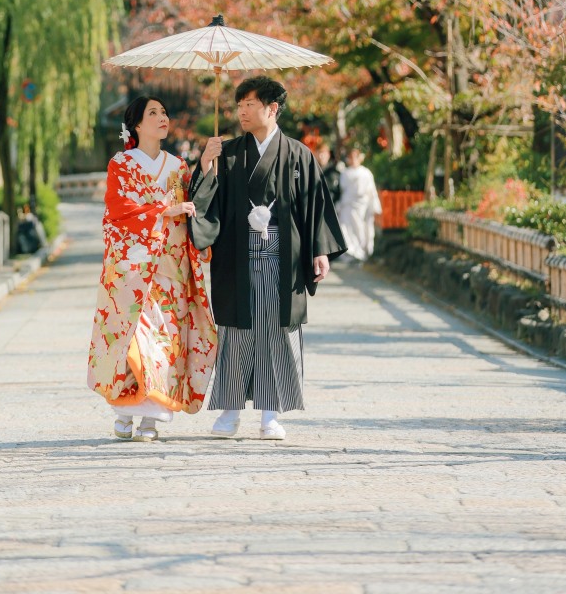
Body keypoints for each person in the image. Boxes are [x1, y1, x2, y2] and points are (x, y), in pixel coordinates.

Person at [190, 76, 346, 441]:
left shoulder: (298, 154)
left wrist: (319, 249)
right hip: (237, 255)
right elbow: (204, 203)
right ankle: (229, 412)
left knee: (276, 331)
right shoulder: (226, 154)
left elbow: (313, 206)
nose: (241, 111)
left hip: (283, 255)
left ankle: (270, 415)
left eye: (249, 104)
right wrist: (206, 165)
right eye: (239, 105)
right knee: (237, 331)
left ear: (272, 108)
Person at [88, 94, 217, 443]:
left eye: (164, 112)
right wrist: (163, 211)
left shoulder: (178, 167)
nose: (162, 117)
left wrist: (206, 165)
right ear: (137, 125)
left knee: (163, 342)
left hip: (170, 267)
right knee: (133, 339)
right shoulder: (122, 163)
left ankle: (152, 418)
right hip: (132, 266)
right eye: (153, 112)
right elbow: (118, 210)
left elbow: (195, 206)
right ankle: (125, 410)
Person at [337, 147, 382, 262]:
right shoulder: (345, 173)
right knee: (346, 229)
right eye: (351, 157)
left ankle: (361, 252)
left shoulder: (366, 173)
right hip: (348, 205)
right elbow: (342, 189)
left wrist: (375, 206)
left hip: (362, 206)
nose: (353, 159)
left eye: (355, 157)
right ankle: (349, 252)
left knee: (361, 229)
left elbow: (371, 191)